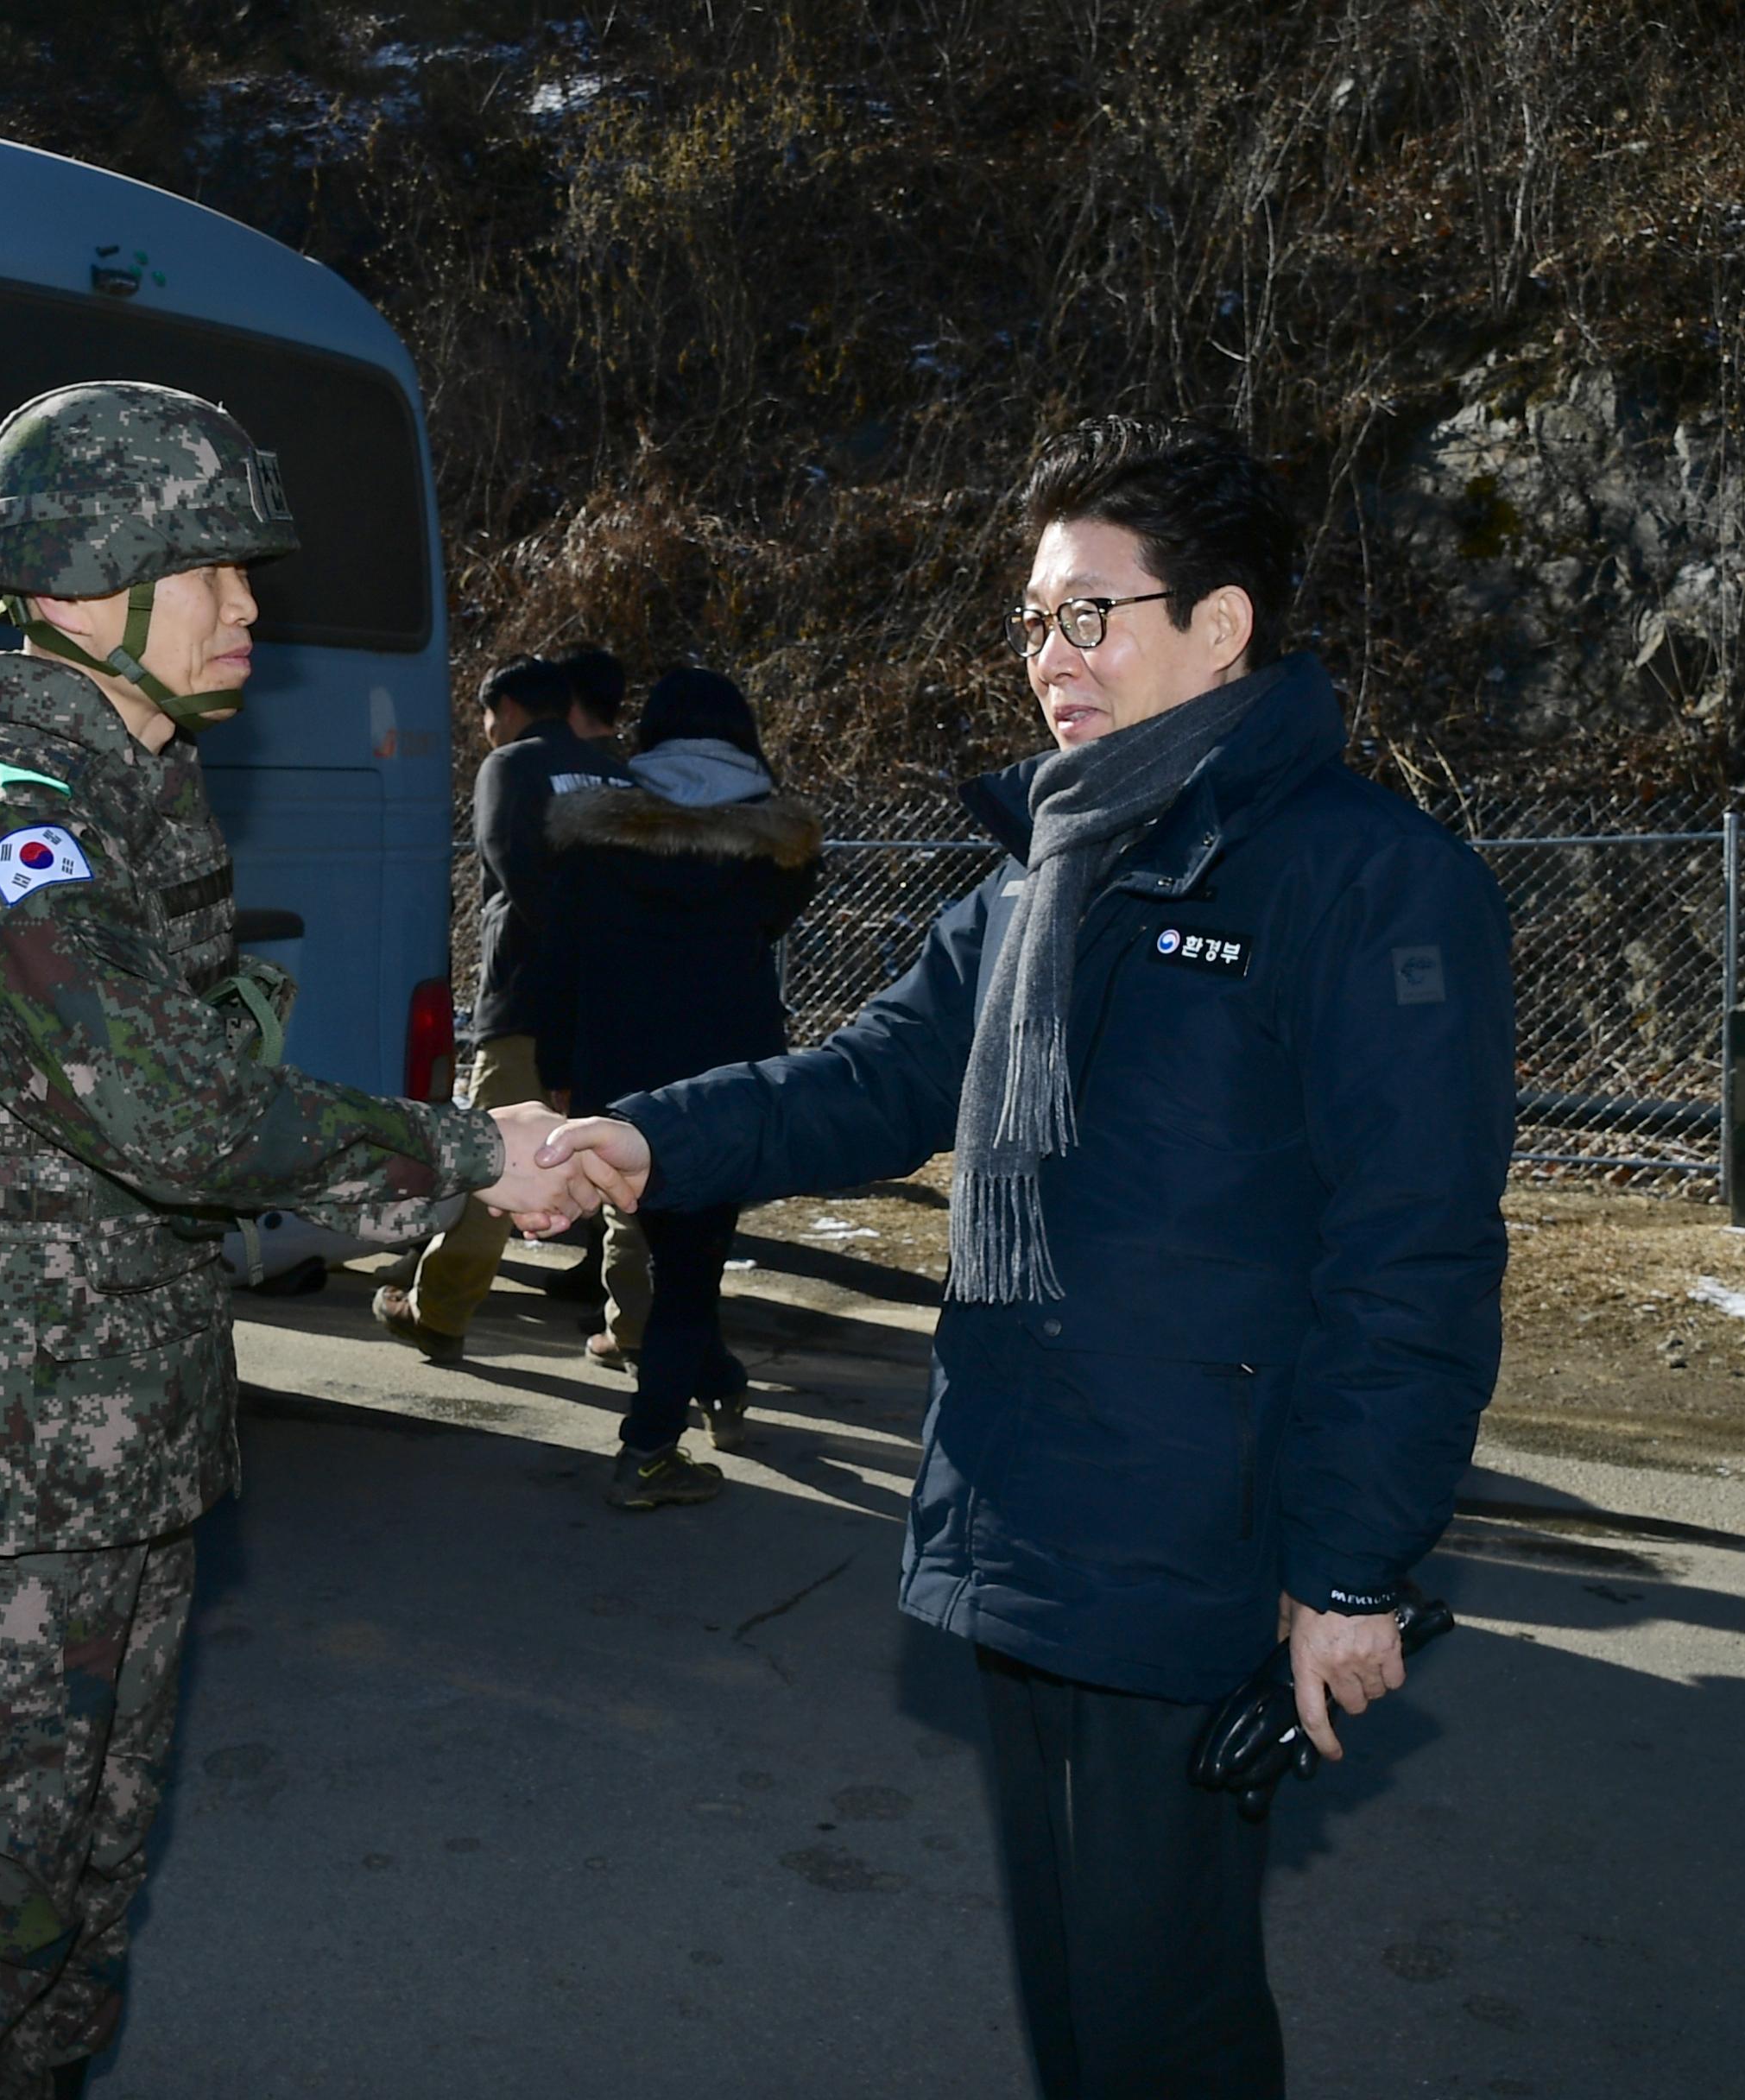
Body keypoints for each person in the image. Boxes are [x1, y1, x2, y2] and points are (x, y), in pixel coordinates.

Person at [528, 419, 1514, 2097]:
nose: (1048, 658)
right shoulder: (1051, 874)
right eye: (1032, 622)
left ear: (1222, 628)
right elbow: (879, 1080)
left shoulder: (1369, 879)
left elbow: (1411, 1254)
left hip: (1194, 1539)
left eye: (1090, 616)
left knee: (1163, 2017)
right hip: (1024, 1511)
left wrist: (1350, 1567)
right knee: (1077, 2000)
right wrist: (651, 1137)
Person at [0, 380, 566, 2100]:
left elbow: (198, 1107)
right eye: (207, 568)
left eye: (249, 570)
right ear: (81, 590)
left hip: (113, 1449)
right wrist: (471, 1151)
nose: (249, 608)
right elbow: (174, 1115)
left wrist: (434, 1174)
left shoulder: (127, 807)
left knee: (85, 1893)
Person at [533, 667, 822, 1508]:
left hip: (617, 1077)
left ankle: (721, 1384)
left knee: (677, 1257)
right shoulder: (779, 851)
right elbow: (773, 920)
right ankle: (650, 1446)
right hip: (727, 1084)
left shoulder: (589, 840)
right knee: (690, 1269)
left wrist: (559, 1071)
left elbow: (561, 962)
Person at [371, 655, 637, 1365]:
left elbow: (513, 864)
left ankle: (439, 1314)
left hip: (526, 996)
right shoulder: (624, 775)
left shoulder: (513, 765)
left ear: (511, 707)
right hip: (615, 1001)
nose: (487, 731)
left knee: (496, 1160)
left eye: (488, 716)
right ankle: (638, 1329)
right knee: (620, 1165)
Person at [540, 641, 657, 1350]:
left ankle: (630, 1319)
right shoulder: (638, 785)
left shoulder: (594, 800)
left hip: (605, 1020)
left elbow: (561, 930)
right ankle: (608, 1285)